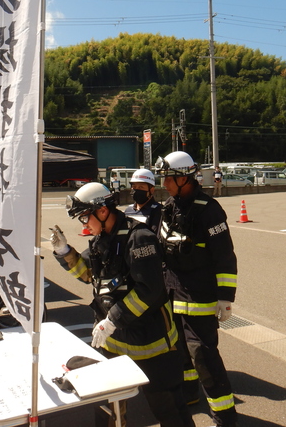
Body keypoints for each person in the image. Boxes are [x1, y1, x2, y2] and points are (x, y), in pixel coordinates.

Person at [50, 183, 194, 427]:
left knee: (169, 410)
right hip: (115, 344)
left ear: (103, 211)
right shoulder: (100, 240)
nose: (84, 224)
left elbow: (149, 291)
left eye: (85, 217)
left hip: (153, 346)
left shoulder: (139, 238)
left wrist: (113, 319)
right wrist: (64, 252)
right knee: (109, 408)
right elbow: (89, 276)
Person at [155, 151, 238, 427]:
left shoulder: (209, 209)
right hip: (172, 295)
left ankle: (225, 417)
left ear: (184, 178)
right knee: (179, 353)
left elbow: (224, 255)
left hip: (199, 298)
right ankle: (190, 395)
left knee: (204, 358)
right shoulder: (170, 205)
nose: (164, 184)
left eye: (169, 179)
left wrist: (225, 298)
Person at [123, 168, 162, 233]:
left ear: (151, 190)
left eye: (141, 187)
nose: (136, 190)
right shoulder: (128, 210)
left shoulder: (158, 210)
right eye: (134, 187)